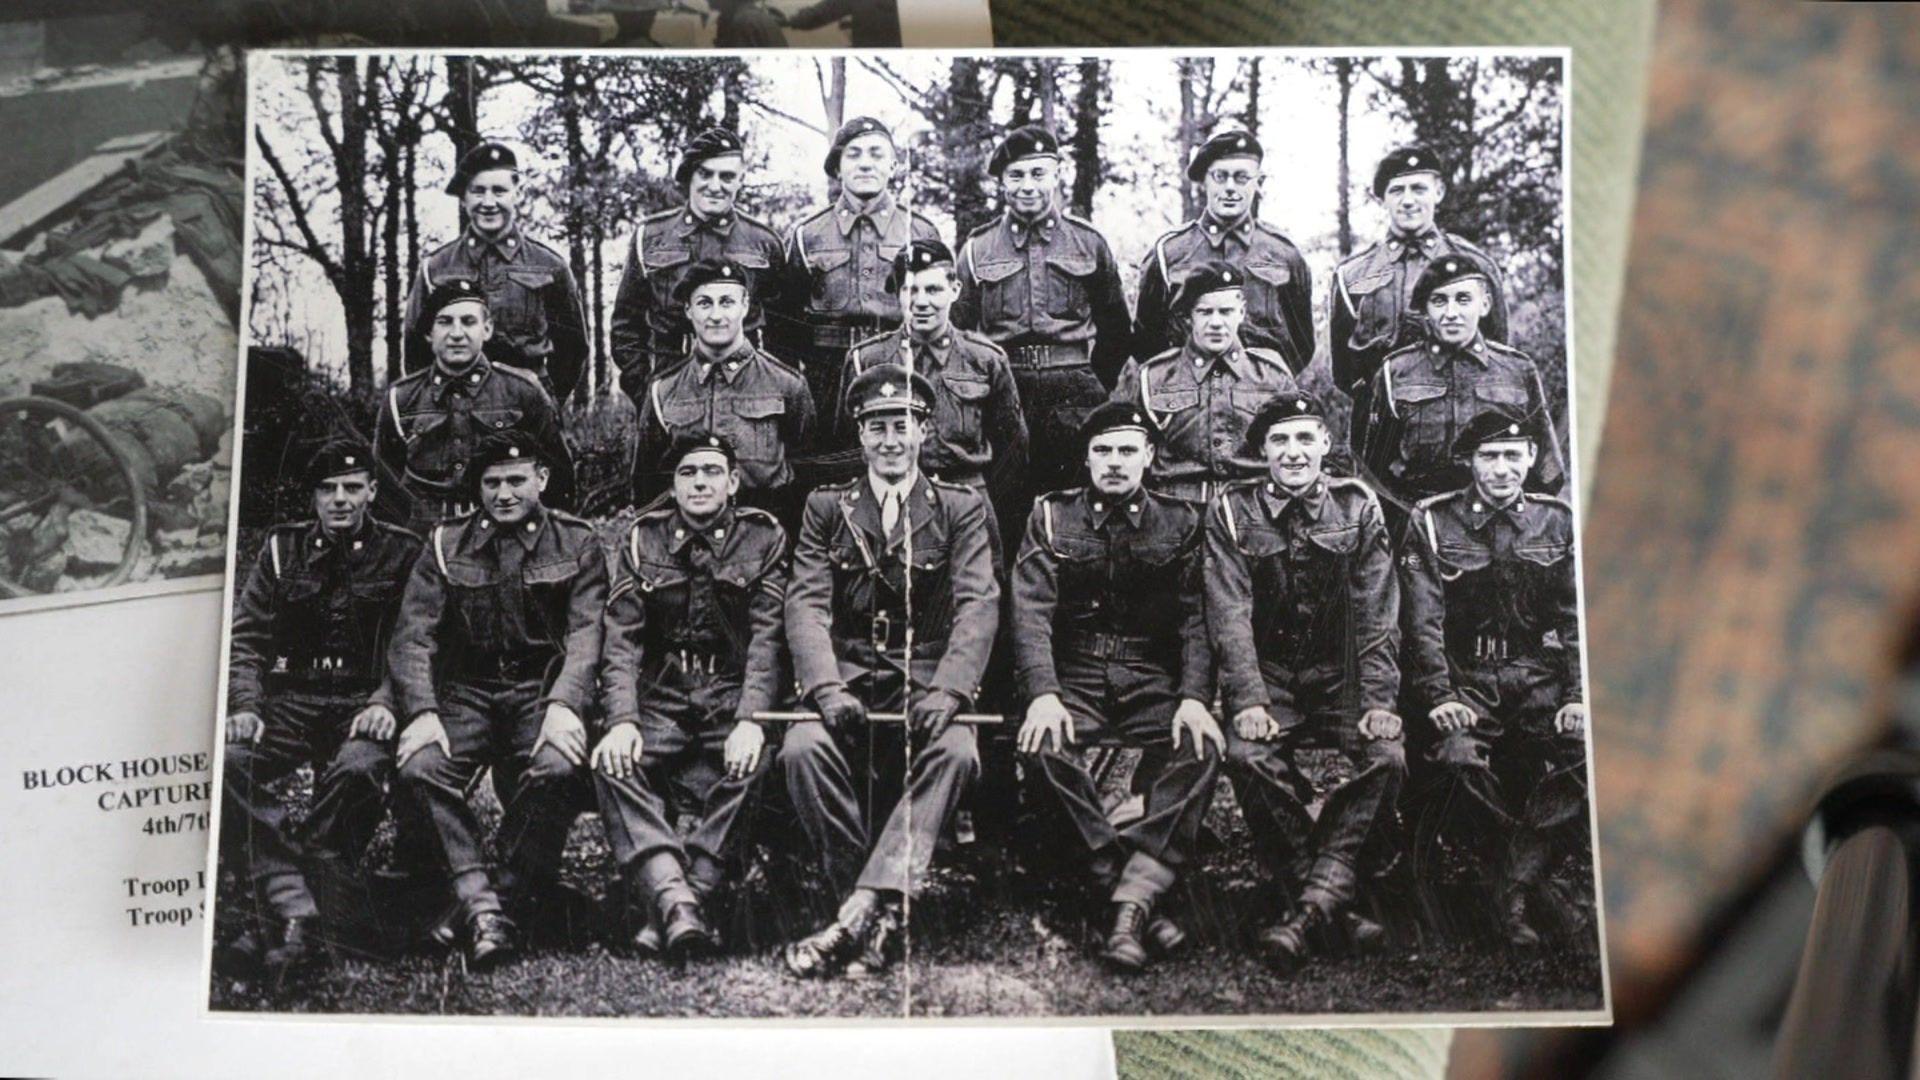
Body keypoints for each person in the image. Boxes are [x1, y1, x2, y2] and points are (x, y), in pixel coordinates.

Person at [779, 365, 999, 979]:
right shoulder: (826, 507)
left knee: (955, 752)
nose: (889, 440)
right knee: (801, 748)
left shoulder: (960, 508)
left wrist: (952, 688)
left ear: (923, 432)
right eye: (876, 428)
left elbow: (978, 603)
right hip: (847, 668)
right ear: (861, 435)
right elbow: (806, 603)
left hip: (926, 672)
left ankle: (856, 913)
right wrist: (824, 686)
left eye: (901, 426)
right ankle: (876, 907)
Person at [385, 431, 607, 970]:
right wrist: (423, 712)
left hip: (541, 690)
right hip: (466, 693)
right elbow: (414, 636)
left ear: (542, 481)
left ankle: (484, 905)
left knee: (557, 768)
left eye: (515, 480)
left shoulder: (576, 542)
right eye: (491, 483)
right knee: (420, 767)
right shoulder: (444, 544)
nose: (503, 493)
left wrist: (565, 704)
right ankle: (486, 904)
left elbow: (587, 635)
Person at [1011, 402, 1221, 972]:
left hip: (1150, 676)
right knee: (1044, 747)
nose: (1114, 462)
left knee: (1199, 748)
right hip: (1073, 676)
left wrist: (1195, 699)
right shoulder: (1052, 517)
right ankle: (1131, 893)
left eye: (1128, 450)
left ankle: (1120, 896)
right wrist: (1043, 694)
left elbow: (1197, 620)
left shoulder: (1182, 521)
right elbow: (1030, 611)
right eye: (1102, 450)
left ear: (1150, 457)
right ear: (1086, 457)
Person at [1207, 390, 1405, 972]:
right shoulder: (1231, 510)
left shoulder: (1358, 505)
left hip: (1341, 679)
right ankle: (1330, 903)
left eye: (1304, 438)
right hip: (1271, 678)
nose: (1293, 453)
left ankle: (1304, 908)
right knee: (1246, 756)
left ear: (1325, 444)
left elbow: (1377, 613)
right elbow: (1229, 614)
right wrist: (1247, 698)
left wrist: (1378, 701)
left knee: (1387, 758)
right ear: (1262, 450)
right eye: (1279, 441)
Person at [218, 438, 421, 976]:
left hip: (361, 701)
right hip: (290, 700)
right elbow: (248, 638)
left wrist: (386, 702)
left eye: (353, 488)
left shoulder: (403, 552)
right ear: (312, 497)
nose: (340, 500)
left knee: (359, 772)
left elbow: (415, 642)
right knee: (230, 763)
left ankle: (280, 909)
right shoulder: (282, 549)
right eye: (327, 489)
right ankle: (300, 900)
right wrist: (245, 704)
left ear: (373, 492)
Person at [592, 431, 790, 960]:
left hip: (729, 692)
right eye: (687, 473)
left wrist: (752, 717)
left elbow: (768, 639)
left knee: (756, 760)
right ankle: (678, 896)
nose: (699, 482)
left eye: (710, 471)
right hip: (664, 694)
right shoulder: (642, 539)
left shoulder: (763, 538)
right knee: (613, 761)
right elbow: (622, 640)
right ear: (674, 486)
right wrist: (622, 719)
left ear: (732, 481)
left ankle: (684, 900)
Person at [1399, 409, 1586, 949]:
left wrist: (1576, 696)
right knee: (1458, 762)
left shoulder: (1558, 521)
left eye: (1512, 455)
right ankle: (1526, 889)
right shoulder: (1433, 521)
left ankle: (1515, 884)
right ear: (1468, 462)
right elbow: (1423, 622)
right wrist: (1438, 694)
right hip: (1464, 677)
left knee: (1585, 755)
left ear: (1532, 457)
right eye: (1489, 456)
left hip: (1535, 678)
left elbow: (1577, 621)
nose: (1502, 468)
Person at [954, 124, 1133, 510]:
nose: (1028, 186)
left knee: (1074, 500)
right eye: (1016, 175)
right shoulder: (977, 249)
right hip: (1004, 388)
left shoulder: (1089, 243)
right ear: (1002, 182)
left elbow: (1117, 327)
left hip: (1073, 391)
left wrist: (1091, 381)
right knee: (1007, 497)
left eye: (1038, 173)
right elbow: (960, 331)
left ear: (1056, 174)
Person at [1357, 253, 1563, 535]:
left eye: (1463, 299)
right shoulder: (1395, 373)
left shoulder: (1517, 370)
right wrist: (1408, 527)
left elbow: (1547, 466)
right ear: (1425, 310)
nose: (1451, 312)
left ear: (1485, 304)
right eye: (1439, 301)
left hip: (1499, 526)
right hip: (1419, 526)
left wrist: (1523, 528)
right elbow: (1374, 472)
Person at [835, 238, 1027, 532]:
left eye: (933, 289)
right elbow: (847, 446)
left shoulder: (985, 359)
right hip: (888, 499)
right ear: (898, 294)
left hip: (966, 501)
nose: (922, 301)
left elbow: (1011, 449)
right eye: (911, 290)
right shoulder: (867, 359)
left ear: (955, 290)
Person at [1334, 145, 1507, 452]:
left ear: (1438, 192)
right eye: (1397, 190)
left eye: (1419, 188)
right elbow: (1345, 373)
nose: (1409, 200)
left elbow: (1497, 352)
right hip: (1380, 437)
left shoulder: (1475, 265)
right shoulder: (1352, 276)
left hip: (1463, 430)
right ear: (1383, 199)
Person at [375, 278, 574, 535]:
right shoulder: (400, 399)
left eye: (468, 322)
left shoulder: (522, 392)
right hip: (423, 541)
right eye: (445, 322)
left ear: (487, 329)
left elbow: (558, 478)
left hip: (504, 535)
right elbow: (384, 486)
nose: (457, 334)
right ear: (429, 333)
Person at [777, 116, 942, 424]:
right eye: (853, 154)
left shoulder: (919, 231)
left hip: (899, 366)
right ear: (837, 168)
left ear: (893, 166)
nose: (865, 164)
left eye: (877, 154)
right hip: (826, 374)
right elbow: (784, 324)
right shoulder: (808, 234)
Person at [609, 127, 787, 402]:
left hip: (744, 388)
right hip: (669, 384)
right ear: (690, 175)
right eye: (705, 173)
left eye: (727, 176)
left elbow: (782, 331)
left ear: (740, 180)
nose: (715, 186)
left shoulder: (763, 243)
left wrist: (768, 387)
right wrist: (643, 387)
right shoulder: (651, 237)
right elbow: (626, 325)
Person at [632, 258, 815, 524]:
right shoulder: (664, 390)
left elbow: (806, 477)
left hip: (767, 540)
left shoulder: (786, 384)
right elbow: (646, 486)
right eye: (704, 303)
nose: (716, 315)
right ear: (688, 310)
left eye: (727, 302)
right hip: (688, 543)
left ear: (745, 306)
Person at [403, 140, 589, 401]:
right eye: (478, 191)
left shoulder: (549, 266)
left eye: (499, 191)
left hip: (526, 412)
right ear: (463, 200)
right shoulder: (436, 268)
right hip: (455, 409)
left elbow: (573, 348)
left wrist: (544, 402)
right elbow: (415, 350)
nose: (488, 202)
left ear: (517, 194)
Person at [1108, 260, 1299, 504]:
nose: (1216, 323)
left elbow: (1293, 454)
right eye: (1205, 312)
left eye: (1226, 312)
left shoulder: (1272, 375)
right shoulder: (1153, 377)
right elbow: (1127, 451)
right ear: (1189, 316)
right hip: (1174, 510)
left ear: (1241, 312)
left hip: (1254, 512)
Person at [1134, 130, 1314, 373]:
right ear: (1205, 181)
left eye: (1241, 178)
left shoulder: (1283, 254)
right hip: (1189, 399)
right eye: (1220, 177)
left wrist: (1265, 380)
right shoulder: (1169, 253)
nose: (1230, 188)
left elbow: (1301, 343)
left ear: (1259, 183)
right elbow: (1146, 341)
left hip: (1264, 401)